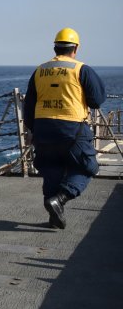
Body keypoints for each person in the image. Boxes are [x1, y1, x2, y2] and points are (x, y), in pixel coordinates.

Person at [23, 28, 105, 230]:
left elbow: (29, 105)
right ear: (75, 48)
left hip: (42, 127)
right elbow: (97, 101)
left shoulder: (40, 70)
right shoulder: (81, 69)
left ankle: (54, 218)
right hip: (72, 128)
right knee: (87, 167)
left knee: (51, 169)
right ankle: (60, 198)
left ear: (55, 47)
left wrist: (34, 130)